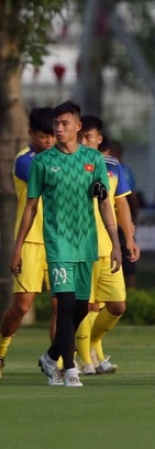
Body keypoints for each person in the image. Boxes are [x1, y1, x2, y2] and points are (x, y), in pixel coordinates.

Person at [10, 101, 122, 387]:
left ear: (77, 126)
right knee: (66, 303)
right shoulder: (42, 162)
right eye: (56, 124)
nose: (58, 129)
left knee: (82, 308)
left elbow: (104, 202)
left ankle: (50, 357)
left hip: (86, 243)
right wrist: (17, 247)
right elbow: (30, 208)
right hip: (58, 243)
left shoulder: (93, 159)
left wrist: (116, 243)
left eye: (64, 124)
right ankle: (69, 370)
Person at [75, 115, 140, 375]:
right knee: (87, 305)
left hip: (108, 246)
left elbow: (120, 203)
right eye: (80, 137)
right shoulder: (68, 164)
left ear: (99, 139)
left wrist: (129, 238)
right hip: (80, 246)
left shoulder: (112, 165)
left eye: (88, 137)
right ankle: (85, 360)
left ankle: (91, 345)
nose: (83, 142)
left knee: (117, 305)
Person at [0, 107, 55, 380]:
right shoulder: (25, 161)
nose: (49, 141)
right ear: (31, 133)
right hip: (31, 240)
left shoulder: (64, 156)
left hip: (59, 242)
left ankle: (56, 360)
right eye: (44, 136)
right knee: (22, 306)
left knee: (63, 304)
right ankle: (1, 350)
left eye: (53, 136)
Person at [109, 140, 139, 288]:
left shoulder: (122, 170)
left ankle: (130, 291)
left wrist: (132, 218)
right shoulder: (103, 167)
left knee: (128, 260)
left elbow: (131, 197)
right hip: (109, 220)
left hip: (121, 220)